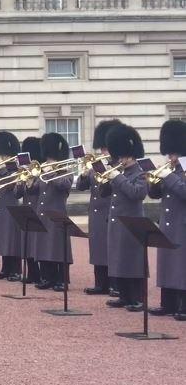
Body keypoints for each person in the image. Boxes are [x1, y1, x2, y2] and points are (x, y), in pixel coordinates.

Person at [103, 124, 147, 311]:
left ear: (132, 155)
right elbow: (106, 193)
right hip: (118, 222)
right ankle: (124, 295)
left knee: (132, 261)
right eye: (119, 156)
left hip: (132, 223)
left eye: (124, 156)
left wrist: (117, 178)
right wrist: (105, 179)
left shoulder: (141, 172)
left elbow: (137, 193)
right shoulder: (120, 172)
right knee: (119, 260)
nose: (121, 159)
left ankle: (136, 298)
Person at [76, 119, 122, 295]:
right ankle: (100, 283)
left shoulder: (119, 167)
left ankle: (115, 284)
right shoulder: (96, 166)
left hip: (110, 212)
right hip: (96, 213)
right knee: (97, 249)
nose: (103, 151)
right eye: (102, 148)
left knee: (111, 249)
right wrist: (83, 174)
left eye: (106, 148)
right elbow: (81, 187)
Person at [148, 120, 186, 320]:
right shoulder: (170, 171)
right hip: (168, 223)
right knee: (166, 264)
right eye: (169, 154)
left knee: (182, 265)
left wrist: (168, 178)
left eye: (173, 154)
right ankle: (167, 303)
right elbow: (155, 195)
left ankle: (183, 305)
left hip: (182, 224)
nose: (170, 157)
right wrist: (153, 183)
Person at [29, 133, 73, 291]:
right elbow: (36, 189)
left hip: (57, 213)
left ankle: (61, 279)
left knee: (57, 248)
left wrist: (51, 171)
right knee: (43, 247)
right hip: (42, 213)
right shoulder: (42, 169)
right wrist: (28, 181)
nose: (47, 161)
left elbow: (64, 185)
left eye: (49, 158)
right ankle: (47, 277)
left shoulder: (65, 170)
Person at [0, 131, 22, 281]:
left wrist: (3, 170)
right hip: (0, 207)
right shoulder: (1, 171)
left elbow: (9, 185)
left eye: (5, 156)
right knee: (3, 239)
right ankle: (5, 268)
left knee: (12, 239)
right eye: (2, 156)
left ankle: (15, 270)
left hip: (11, 208)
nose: (3, 159)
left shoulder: (17, 170)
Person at [15, 137, 42, 283]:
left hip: (37, 208)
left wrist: (32, 178)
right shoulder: (25, 171)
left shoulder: (40, 172)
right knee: (27, 243)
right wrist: (20, 182)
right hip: (26, 209)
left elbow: (36, 189)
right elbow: (17, 194)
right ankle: (31, 273)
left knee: (37, 244)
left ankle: (40, 274)